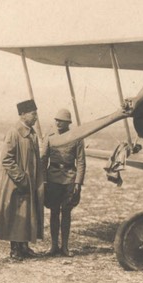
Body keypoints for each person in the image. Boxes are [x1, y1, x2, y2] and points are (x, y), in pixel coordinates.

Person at [0, 99, 45, 260]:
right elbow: (6, 159)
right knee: (16, 215)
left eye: (36, 113)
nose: (36, 117)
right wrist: (21, 178)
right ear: (22, 114)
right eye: (33, 113)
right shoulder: (14, 133)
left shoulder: (32, 134)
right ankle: (15, 249)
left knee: (28, 214)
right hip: (16, 184)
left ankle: (24, 246)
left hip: (29, 183)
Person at [43, 108, 86, 257]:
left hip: (69, 178)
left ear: (68, 123)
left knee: (66, 212)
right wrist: (43, 180)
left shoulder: (77, 137)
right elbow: (44, 159)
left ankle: (65, 247)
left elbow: (81, 162)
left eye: (61, 121)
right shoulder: (49, 136)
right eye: (56, 120)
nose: (57, 123)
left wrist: (78, 183)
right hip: (53, 178)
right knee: (54, 211)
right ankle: (53, 245)